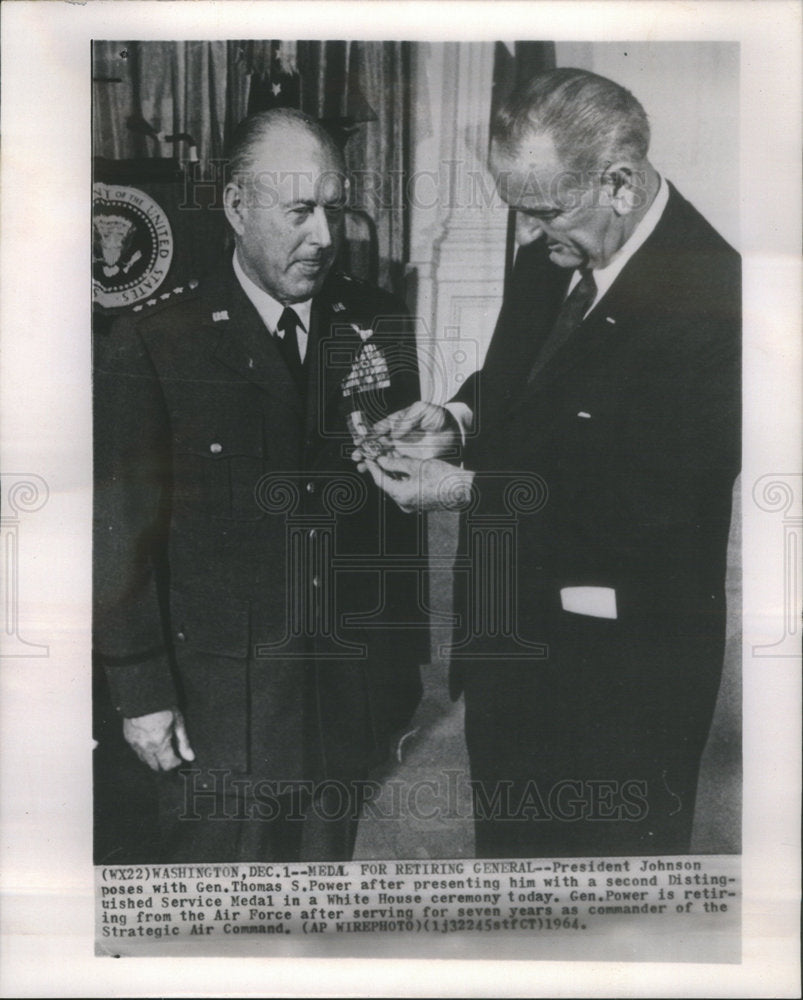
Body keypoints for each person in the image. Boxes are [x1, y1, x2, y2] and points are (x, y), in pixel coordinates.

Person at [357, 68, 740, 857]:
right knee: (513, 869)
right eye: (520, 211)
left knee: (605, 903)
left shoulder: (718, 298)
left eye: (544, 210)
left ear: (620, 181)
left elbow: (650, 509)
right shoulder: (554, 245)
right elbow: (529, 379)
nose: (531, 235)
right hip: (510, 649)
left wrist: (463, 489)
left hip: (623, 680)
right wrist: (458, 417)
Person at [93, 108, 426, 863]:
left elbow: (392, 517)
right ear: (237, 207)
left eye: (333, 209)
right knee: (213, 918)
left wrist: (401, 668)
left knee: (316, 911)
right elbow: (119, 533)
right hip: (220, 706)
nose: (325, 237)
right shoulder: (157, 340)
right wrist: (140, 691)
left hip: (346, 693)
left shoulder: (376, 321)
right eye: (299, 211)